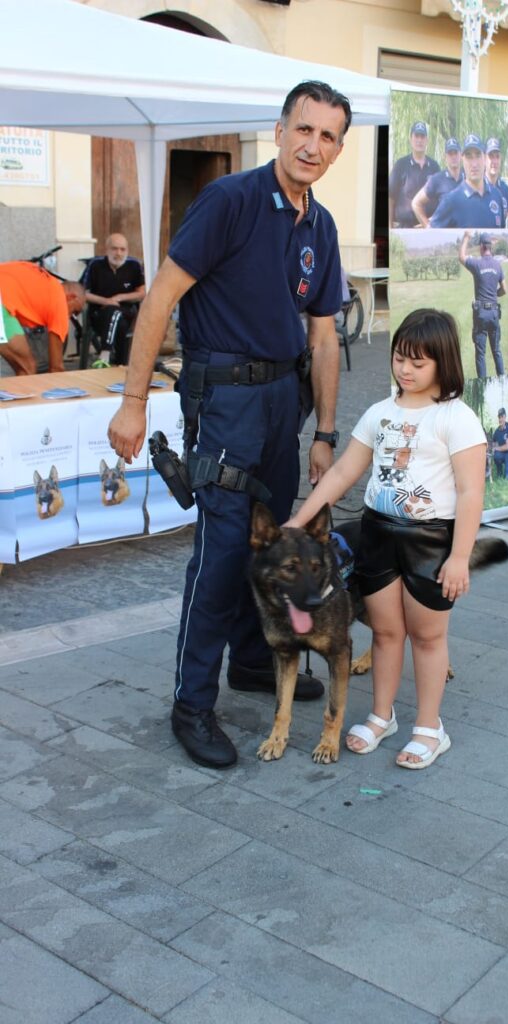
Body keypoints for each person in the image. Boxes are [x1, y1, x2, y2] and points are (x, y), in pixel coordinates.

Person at [107, 80, 351, 769]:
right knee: (219, 557)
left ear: (338, 149)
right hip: (224, 403)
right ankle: (191, 704)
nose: (312, 145)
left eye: (327, 136)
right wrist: (132, 401)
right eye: (303, 129)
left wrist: (325, 433)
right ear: (279, 130)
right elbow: (160, 300)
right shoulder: (229, 200)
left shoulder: (321, 226)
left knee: (272, 542)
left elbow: (324, 337)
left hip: (282, 403)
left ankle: (251, 659)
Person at [286, 308, 486, 769]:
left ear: (442, 362)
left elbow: (471, 492)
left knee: (428, 636)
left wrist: (459, 556)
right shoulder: (380, 413)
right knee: (386, 632)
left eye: (418, 362)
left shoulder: (457, 418)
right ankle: (382, 716)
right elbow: (343, 472)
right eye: (399, 358)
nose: (405, 369)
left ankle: (430, 728)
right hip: (377, 535)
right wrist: (300, 521)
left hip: (430, 542)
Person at [0, 261, 85, 374]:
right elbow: (56, 368)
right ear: (71, 297)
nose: (69, 317)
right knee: (28, 367)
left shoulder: (45, 282)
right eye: (74, 311)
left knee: (22, 366)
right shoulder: (59, 301)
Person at [83, 234, 146, 366]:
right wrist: (106, 301)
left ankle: (105, 354)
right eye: (114, 249)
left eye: (122, 249)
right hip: (99, 314)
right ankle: (121, 364)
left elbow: (142, 293)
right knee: (117, 318)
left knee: (116, 313)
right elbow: (83, 294)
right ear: (106, 249)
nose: (119, 253)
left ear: (127, 250)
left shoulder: (134, 265)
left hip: (126, 313)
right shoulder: (95, 265)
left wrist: (119, 297)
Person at [430, 134, 506, 230]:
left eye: (478, 155)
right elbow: (431, 235)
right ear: (463, 160)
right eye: (469, 157)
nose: (474, 164)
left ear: (484, 158)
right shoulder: (451, 201)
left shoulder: (497, 196)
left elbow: (501, 234)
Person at [459, 230, 505, 378]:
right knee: (496, 350)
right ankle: (502, 381)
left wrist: (466, 237)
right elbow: (504, 289)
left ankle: (483, 385)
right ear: (490, 247)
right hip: (494, 313)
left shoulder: (477, 264)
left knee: (480, 353)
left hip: (481, 314)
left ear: (481, 246)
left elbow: (461, 257)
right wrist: (495, 295)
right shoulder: (498, 265)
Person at [388, 121, 440, 229]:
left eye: (422, 137)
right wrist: (390, 227)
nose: (419, 140)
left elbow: (440, 198)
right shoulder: (400, 165)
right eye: (416, 136)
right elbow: (390, 198)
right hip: (405, 228)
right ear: (410, 139)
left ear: (427, 140)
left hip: (428, 228)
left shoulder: (434, 167)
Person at [411, 137, 463, 228]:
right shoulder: (437, 179)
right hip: (445, 233)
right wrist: (428, 227)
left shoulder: (469, 178)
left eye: (456, 153)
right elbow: (416, 203)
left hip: (466, 232)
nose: (453, 156)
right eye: (450, 153)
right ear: (445, 157)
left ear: (461, 155)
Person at [485, 137, 508, 224]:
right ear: (485, 159)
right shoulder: (478, 187)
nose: (494, 161)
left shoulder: (505, 189)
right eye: (491, 157)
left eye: (497, 157)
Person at [492, 407, 508, 479]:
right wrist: (493, 449)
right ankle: (499, 472)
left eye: (502, 417)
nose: (500, 419)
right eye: (499, 417)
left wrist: (496, 448)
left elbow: (507, 447)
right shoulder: (496, 432)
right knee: (496, 456)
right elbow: (494, 445)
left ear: (505, 417)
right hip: (501, 453)